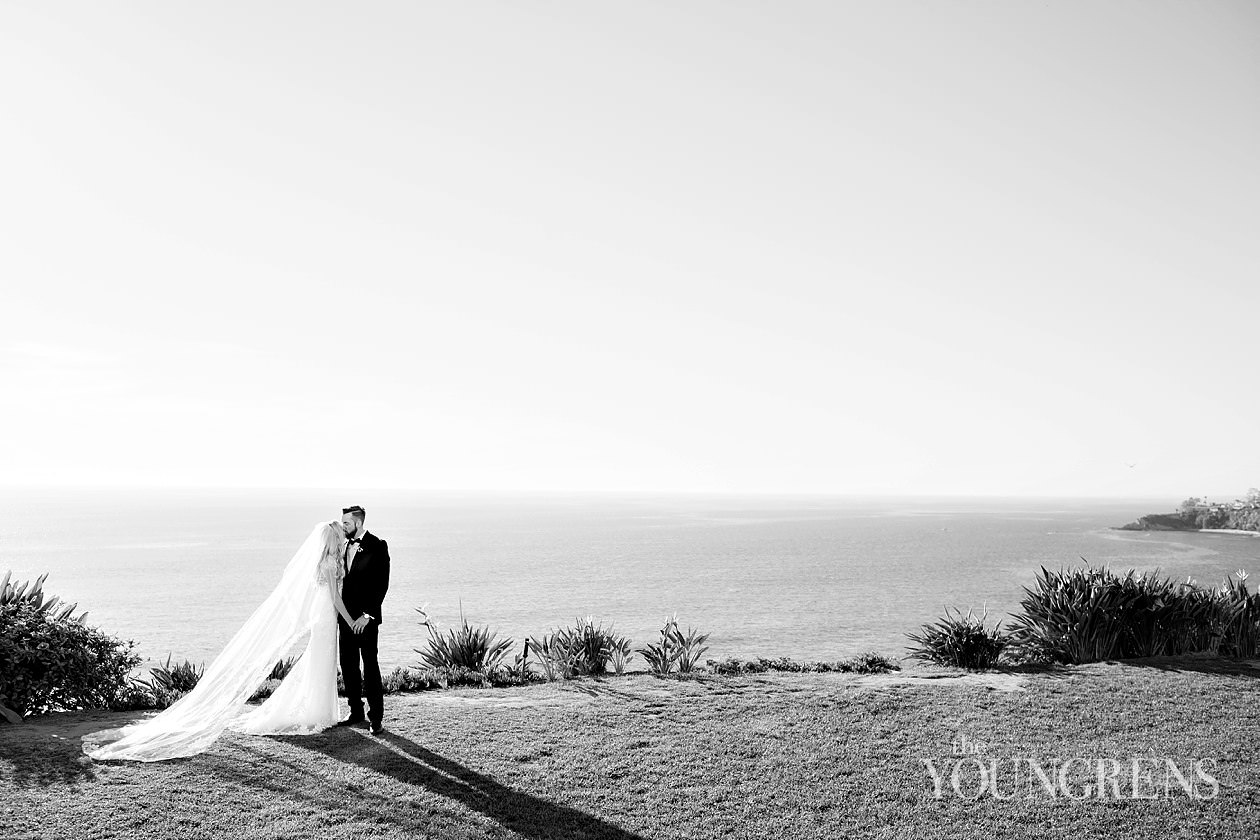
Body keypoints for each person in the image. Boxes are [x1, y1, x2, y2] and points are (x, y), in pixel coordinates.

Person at [83, 519, 367, 762]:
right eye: (339, 536)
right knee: (321, 662)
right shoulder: (330, 563)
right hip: (327, 617)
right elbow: (334, 597)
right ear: (331, 541)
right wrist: (351, 619)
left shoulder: (326, 561)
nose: (342, 538)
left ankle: (322, 709)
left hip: (324, 617)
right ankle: (319, 712)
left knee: (321, 663)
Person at [335, 505, 391, 735]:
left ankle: (375, 718)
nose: (343, 526)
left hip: (366, 621)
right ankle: (355, 710)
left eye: (346, 523)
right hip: (346, 619)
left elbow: (382, 585)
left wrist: (367, 615)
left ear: (358, 523)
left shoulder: (378, 546)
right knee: (348, 665)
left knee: (370, 667)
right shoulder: (341, 546)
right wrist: (346, 618)